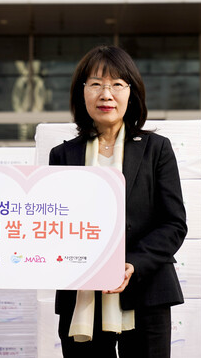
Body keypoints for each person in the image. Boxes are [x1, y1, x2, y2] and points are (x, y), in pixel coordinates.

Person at [49, 45, 187, 358]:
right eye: (96, 84)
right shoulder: (62, 156)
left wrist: (132, 265)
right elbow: (54, 225)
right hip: (82, 294)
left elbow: (174, 224)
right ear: (82, 92)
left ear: (131, 92)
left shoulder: (156, 149)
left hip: (146, 291)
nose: (106, 94)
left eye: (117, 84)